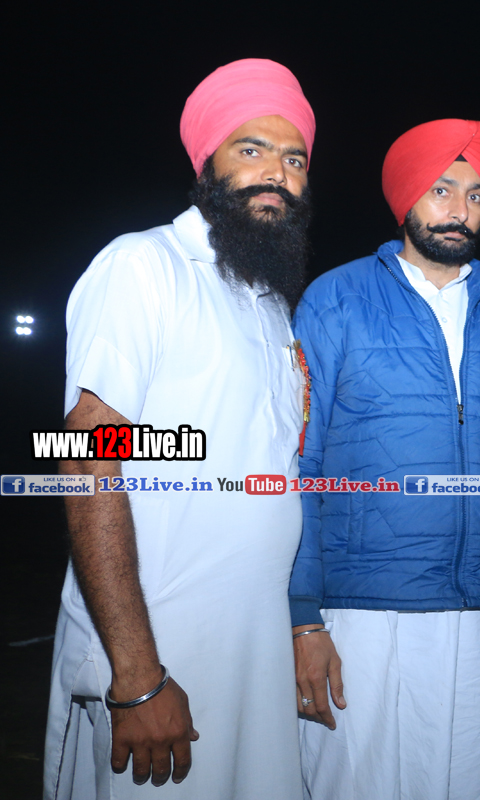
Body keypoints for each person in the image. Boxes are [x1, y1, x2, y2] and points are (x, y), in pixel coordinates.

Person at [45, 59, 316, 798]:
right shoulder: (144, 267)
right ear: (207, 163)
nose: (277, 173)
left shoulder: (271, 305)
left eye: (294, 159)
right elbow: (86, 459)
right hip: (160, 666)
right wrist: (138, 674)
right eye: (251, 149)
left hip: (255, 657)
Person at [287, 119, 480, 800]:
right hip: (364, 612)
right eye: (441, 190)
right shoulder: (337, 299)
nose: (459, 209)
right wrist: (303, 617)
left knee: (471, 785)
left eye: (475, 195)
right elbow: (301, 463)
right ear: (406, 196)